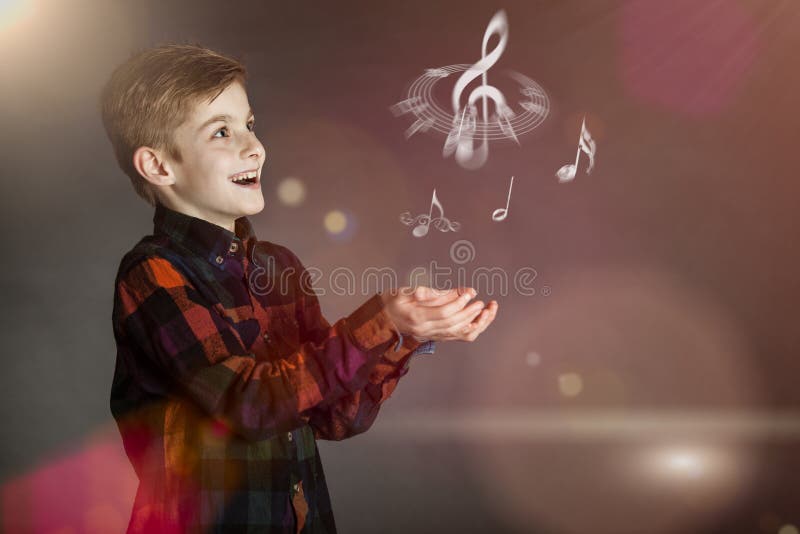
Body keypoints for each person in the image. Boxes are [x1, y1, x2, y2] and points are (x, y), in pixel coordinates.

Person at [101, 43, 498, 533]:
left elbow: (336, 416)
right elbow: (245, 404)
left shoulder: (280, 266)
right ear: (159, 167)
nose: (254, 146)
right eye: (222, 131)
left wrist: (406, 333)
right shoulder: (153, 272)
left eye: (249, 123)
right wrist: (380, 322)